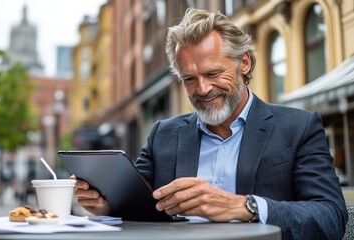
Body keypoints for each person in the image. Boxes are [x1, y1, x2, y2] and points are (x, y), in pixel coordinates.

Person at [74, 8, 348, 239]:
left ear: (244, 63)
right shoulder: (163, 135)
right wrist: (106, 205)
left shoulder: (298, 128)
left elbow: (330, 217)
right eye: (189, 79)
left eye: (213, 73)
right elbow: (137, 207)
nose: (202, 89)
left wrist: (243, 206)